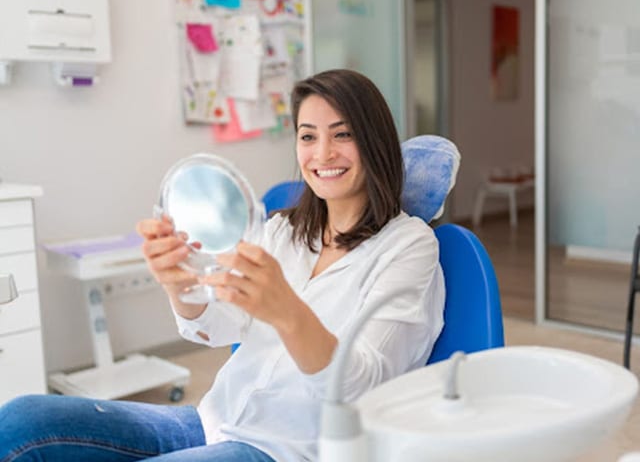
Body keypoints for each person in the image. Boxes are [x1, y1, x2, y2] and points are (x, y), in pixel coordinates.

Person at [0, 69, 445, 462]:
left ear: (375, 139)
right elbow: (219, 327)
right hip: (212, 423)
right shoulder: (283, 232)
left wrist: (288, 313)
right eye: (308, 136)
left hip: (291, 449)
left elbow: (362, 389)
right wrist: (181, 284)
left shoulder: (408, 247)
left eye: (343, 134)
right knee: (22, 420)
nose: (322, 153)